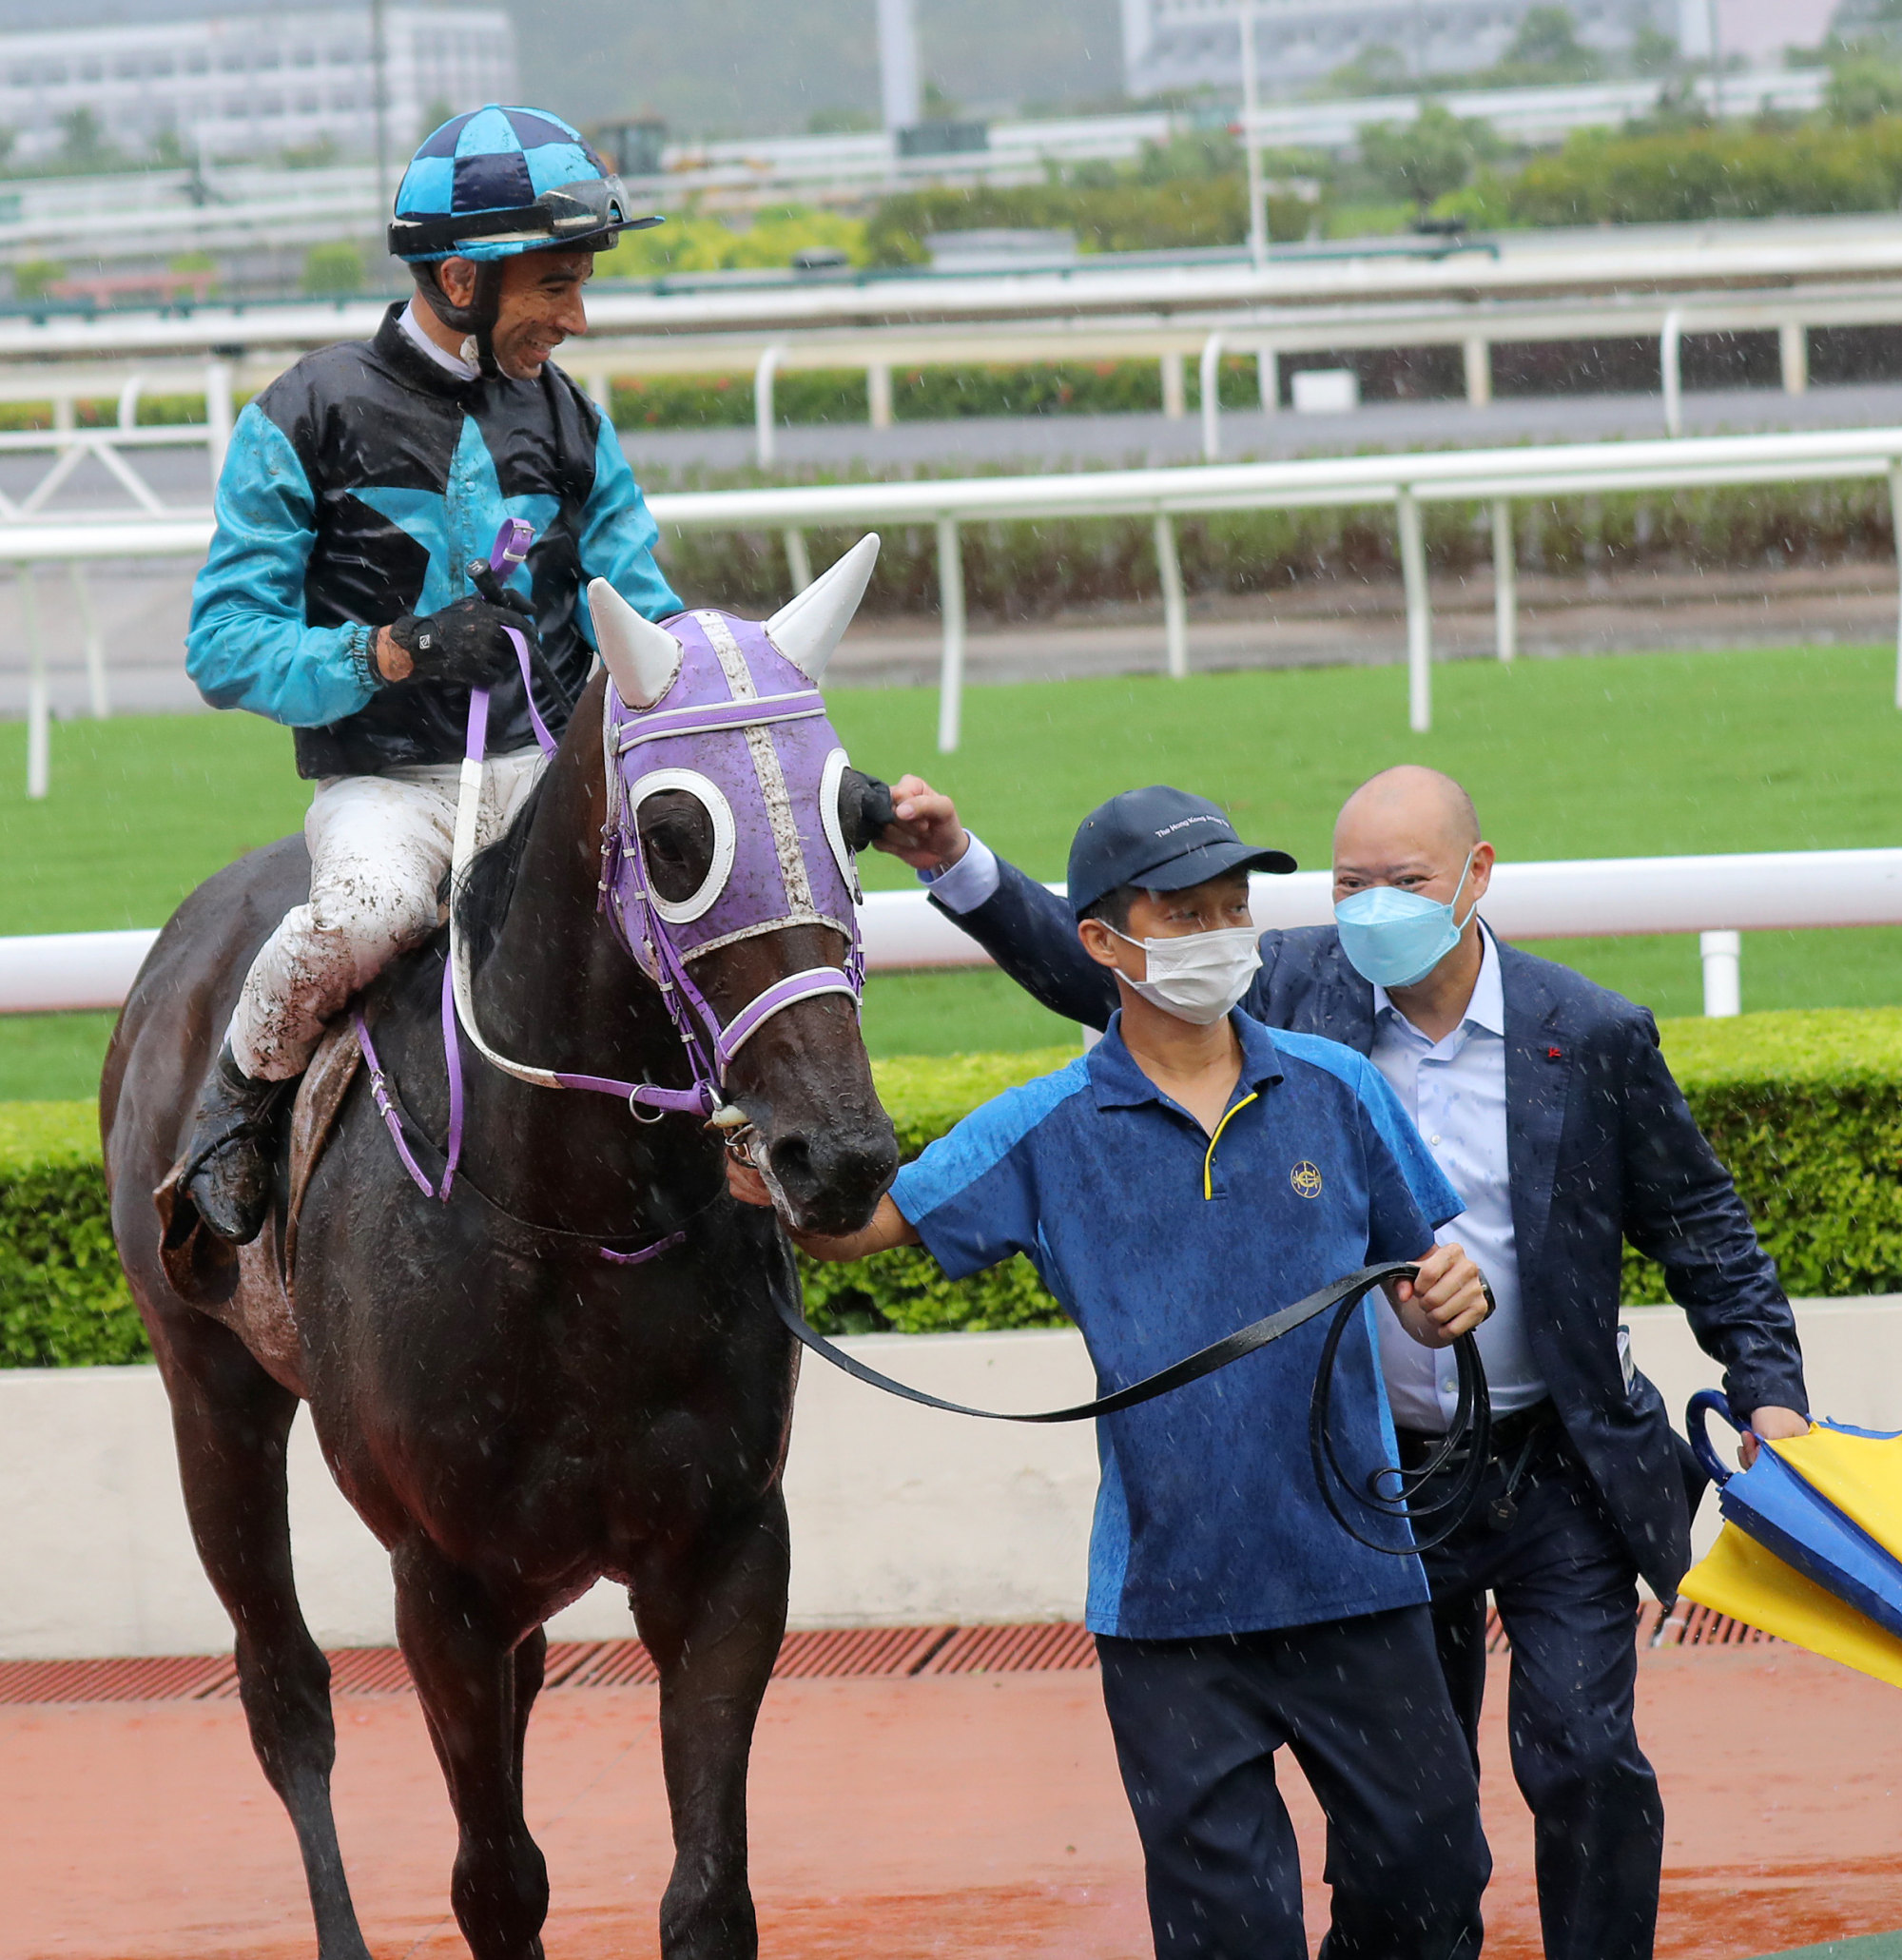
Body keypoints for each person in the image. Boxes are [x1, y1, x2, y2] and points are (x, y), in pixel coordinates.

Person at [877, 763, 1811, 1960]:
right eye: (1348, 882)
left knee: (1579, 1750)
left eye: (1403, 881)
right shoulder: (1288, 989)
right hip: (1370, 1496)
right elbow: (1097, 969)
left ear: (1475, 877)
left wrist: (1768, 1392)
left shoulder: (1591, 1034)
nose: (1372, 906)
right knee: (1416, 1829)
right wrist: (955, 863)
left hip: (1556, 1465)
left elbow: (1702, 1227)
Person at [736, 784, 1496, 1960]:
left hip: (1357, 1578)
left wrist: (1449, 1298)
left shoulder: (1338, 1089)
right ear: (1100, 942)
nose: (1219, 935)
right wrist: (768, 1177)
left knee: (1432, 1868)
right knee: (1226, 1929)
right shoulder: (1041, 1127)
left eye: (1231, 908)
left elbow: (1423, 1269)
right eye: (1183, 913)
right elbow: (864, 1226)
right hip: (1168, 1610)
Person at [178, 105, 683, 1243]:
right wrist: (388, 653)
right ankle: (235, 1100)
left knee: (711, 911)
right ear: (461, 276)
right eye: (555, 286)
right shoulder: (302, 414)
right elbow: (224, 647)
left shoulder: (569, 423)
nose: (577, 316)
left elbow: (640, 609)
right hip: (389, 790)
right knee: (370, 913)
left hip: (547, 772)